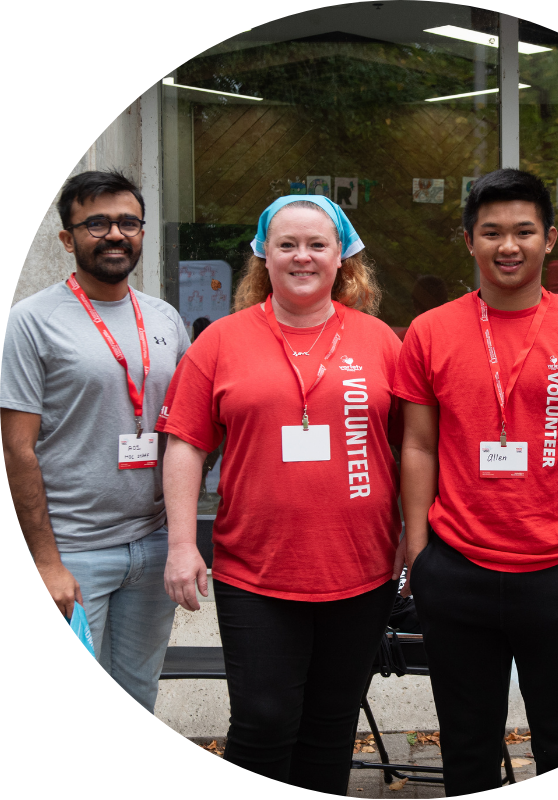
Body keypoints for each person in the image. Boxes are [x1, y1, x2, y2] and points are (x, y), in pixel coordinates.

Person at [394, 168, 558, 793]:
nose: (508, 245)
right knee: (466, 748)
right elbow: (417, 444)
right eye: (492, 231)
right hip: (456, 569)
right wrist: (418, 552)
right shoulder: (429, 332)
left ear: (549, 239)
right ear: (468, 240)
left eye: (524, 231)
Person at [158, 195, 404, 792]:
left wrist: (412, 537)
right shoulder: (221, 341)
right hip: (255, 571)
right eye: (287, 244)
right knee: (263, 723)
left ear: (342, 257)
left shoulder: (381, 342)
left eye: (317, 245)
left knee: (331, 728)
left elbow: (413, 447)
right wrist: (182, 545)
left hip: (361, 569)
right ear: (263, 256)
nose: (302, 257)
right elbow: (186, 443)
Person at [0, 170, 190, 712]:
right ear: (68, 238)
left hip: (152, 545)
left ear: (142, 232)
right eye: (97, 223)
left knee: (139, 692)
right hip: (72, 551)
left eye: (128, 222)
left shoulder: (164, 317)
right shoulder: (31, 321)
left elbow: (188, 428)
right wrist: (45, 562)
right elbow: (16, 450)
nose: (114, 235)